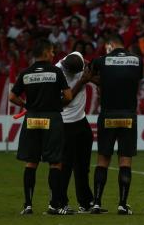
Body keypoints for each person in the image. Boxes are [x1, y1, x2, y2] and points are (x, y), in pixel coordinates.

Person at [9, 39, 73, 215]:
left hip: (32, 119)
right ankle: (54, 205)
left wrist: (26, 106)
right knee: (55, 163)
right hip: (51, 118)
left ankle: (28, 205)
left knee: (31, 162)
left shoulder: (25, 73)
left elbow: (12, 97)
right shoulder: (55, 72)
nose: (53, 55)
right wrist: (55, 103)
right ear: (45, 53)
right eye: (52, 51)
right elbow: (68, 96)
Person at [90, 33, 143, 215]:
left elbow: (90, 76)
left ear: (110, 45)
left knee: (103, 159)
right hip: (128, 115)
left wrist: (102, 81)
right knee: (125, 160)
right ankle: (122, 204)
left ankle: (96, 203)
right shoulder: (137, 60)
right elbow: (135, 80)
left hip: (108, 114)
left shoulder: (101, 60)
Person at [55, 51, 98, 214]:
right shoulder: (57, 72)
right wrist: (82, 81)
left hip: (81, 120)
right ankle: (60, 202)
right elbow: (64, 100)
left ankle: (86, 202)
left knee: (83, 165)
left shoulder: (78, 56)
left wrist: (92, 75)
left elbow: (88, 69)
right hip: (65, 123)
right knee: (64, 166)